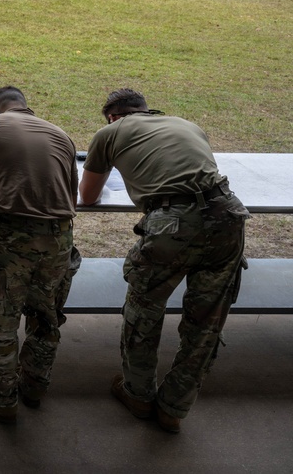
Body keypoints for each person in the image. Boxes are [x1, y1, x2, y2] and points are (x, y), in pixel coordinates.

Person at [79, 88, 249, 434]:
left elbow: (88, 195)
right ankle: (174, 407)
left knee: (145, 309)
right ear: (147, 110)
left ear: (112, 117)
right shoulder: (188, 124)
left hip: (171, 222)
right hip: (228, 215)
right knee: (207, 323)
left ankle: (139, 394)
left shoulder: (109, 133)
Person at [0, 86, 77, 424]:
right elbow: (72, 195)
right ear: (27, 107)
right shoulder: (61, 135)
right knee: (46, 316)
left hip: (13, 236)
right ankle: (34, 388)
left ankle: (3, 399)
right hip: (60, 237)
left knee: (3, 320)